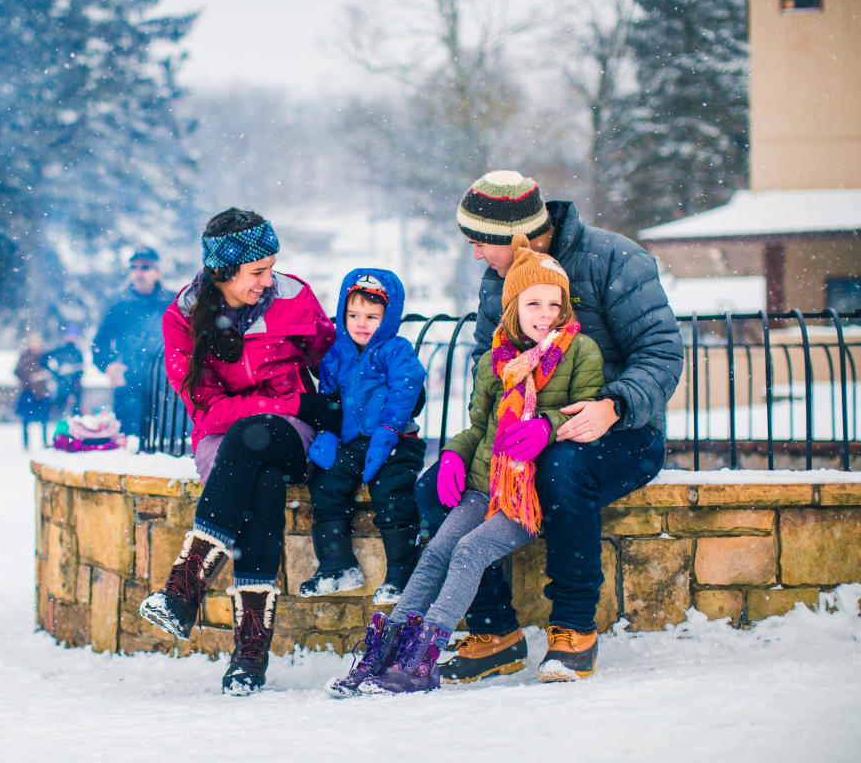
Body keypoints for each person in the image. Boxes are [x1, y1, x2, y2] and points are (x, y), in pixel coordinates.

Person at [415, 170, 683, 683]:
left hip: (621, 430)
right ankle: (496, 634)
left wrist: (614, 405)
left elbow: (662, 353)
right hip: (522, 432)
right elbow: (487, 362)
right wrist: (462, 448)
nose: (475, 256)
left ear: (517, 238)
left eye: (480, 244)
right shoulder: (502, 279)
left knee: (562, 470)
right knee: (437, 490)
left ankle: (573, 627)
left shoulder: (613, 260)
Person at [328, 238, 605, 696]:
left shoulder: (580, 353)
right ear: (513, 306)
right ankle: (386, 651)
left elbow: (584, 415)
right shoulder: (496, 360)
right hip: (483, 485)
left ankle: (422, 657)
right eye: (533, 303)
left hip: (526, 493)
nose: (545, 314)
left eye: (555, 304)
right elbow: (478, 426)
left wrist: (547, 425)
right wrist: (454, 453)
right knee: (437, 549)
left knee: (470, 550)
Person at [138, 207, 336, 695]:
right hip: (221, 438)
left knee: (256, 436)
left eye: (272, 267)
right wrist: (284, 399)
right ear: (223, 272)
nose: (269, 281)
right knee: (261, 482)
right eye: (257, 272)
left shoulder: (294, 298)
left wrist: (332, 413)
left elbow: (331, 364)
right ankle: (250, 655)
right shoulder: (183, 318)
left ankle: (184, 588)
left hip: (287, 431)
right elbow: (205, 407)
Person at [300, 269, 427, 604]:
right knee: (326, 483)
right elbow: (329, 397)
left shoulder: (395, 350)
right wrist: (327, 432)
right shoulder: (336, 354)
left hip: (399, 441)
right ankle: (336, 565)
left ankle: (402, 574)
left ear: (387, 318)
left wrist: (388, 432)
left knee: (392, 493)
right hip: (354, 443)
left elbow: (406, 389)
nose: (361, 323)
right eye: (353, 315)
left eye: (372, 316)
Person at [91, 246, 175, 437]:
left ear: (157, 271)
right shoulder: (118, 304)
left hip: (169, 386)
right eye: (134, 267)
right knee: (130, 446)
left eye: (145, 267)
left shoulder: (172, 302)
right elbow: (99, 343)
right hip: (129, 385)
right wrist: (109, 365)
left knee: (171, 447)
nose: (139, 272)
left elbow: (191, 336)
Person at [14, 334, 53, 449]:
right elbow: (17, 372)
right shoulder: (25, 356)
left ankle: (45, 442)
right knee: (26, 419)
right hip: (28, 392)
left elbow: (51, 371)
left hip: (42, 392)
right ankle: (26, 443)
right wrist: (29, 379)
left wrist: (44, 375)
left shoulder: (44, 356)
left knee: (44, 419)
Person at [41, 326, 85, 420]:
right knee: (60, 416)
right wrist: (55, 372)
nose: (72, 337)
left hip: (74, 388)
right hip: (61, 387)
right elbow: (43, 359)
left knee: (75, 417)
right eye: (70, 335)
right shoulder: (60, 351)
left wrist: (75, 390)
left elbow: (80, 373)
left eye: (74, 335)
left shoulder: (78, 353)